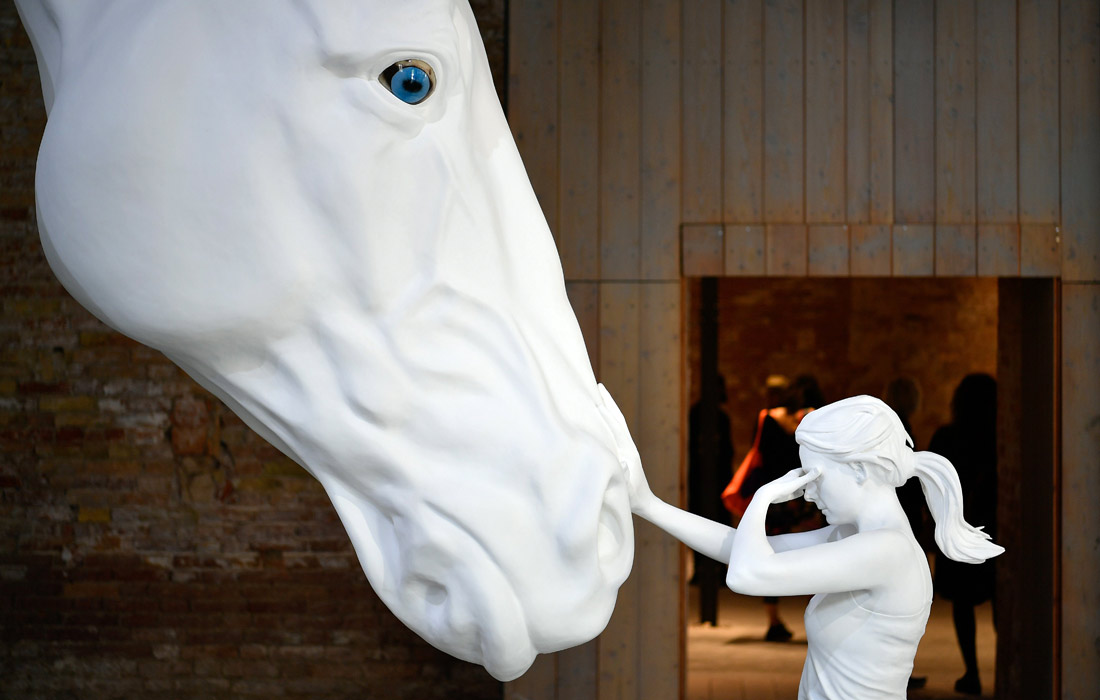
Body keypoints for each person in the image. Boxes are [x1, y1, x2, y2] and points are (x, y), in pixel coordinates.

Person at [603, 393, 1003, 700]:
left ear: (861, 469)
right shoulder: (852, 540)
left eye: (814, 476)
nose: (808, 493)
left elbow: (747, 573)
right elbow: (741, 550)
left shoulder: (887, 552)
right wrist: (647, 503)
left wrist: (760, 499)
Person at [736, 374, 824, 641]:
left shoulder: (768, 418)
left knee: (770, 552)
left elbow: (758, 452)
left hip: (774, 497)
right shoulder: (813, 419)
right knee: (815, 553)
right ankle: (818, 616)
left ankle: (773, 620)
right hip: (803, 497)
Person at [928, 374, 998, 696]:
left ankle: (972, 671)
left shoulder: (947, 437)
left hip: (956, 527)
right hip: (994, 527)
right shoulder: (1000, 437)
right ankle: (1006, 665)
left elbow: (930, 484)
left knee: (961, 601)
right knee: (1001, 598)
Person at [687, 374, 734, 624]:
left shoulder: (719, 417)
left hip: (716, 475)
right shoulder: (698, 414)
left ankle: (716, 569)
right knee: (701, 518)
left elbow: (727, 449)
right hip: (702, 475)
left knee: (717, 520)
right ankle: (703, 569)